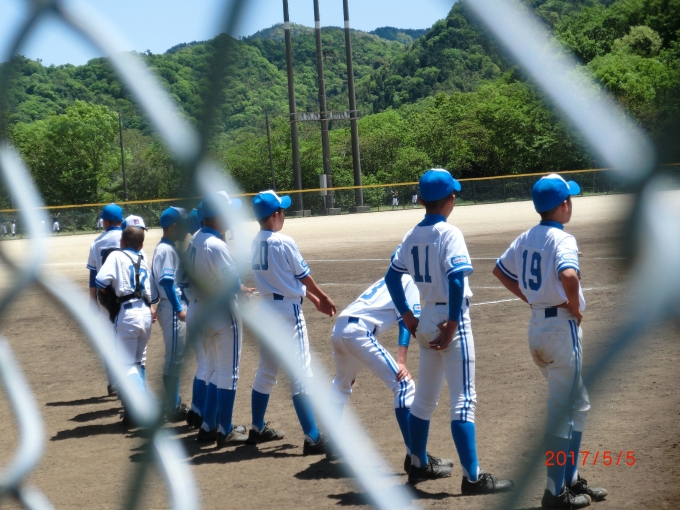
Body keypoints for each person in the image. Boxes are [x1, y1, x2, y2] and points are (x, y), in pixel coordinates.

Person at [385, 168, 514, 492]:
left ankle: (417, 464)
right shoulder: (449, 232)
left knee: (423, 401)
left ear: (421, 200)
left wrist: (408, 316)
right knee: (464, 400)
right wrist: (454, 324)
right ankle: (473, 477)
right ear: (450, 199)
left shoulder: (412, 234)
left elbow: (391, 277)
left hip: (426, 316)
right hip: (450, 319)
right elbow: (456, 280)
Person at [493, 174, 607, 509]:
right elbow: (568, 274)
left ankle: (570, 479)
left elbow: (500, 271)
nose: (571, 203)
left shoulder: (526, 236)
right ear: (563, 205)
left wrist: (529, 298)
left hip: (537, 330)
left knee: (577, 404)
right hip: (561, 331)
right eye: (568, 199)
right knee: (563, 412)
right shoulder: (563, 238)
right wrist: (574, 305)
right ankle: (554, 491)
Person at [326, 266, 453, 472]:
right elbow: (407, 323)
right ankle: (415, 457)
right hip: (358, 332)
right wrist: (401, 361)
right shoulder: (409, 282)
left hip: (340, 329)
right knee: (404, 385)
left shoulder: (390, 279)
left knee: (341, 384)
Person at [247, 190, 336, 455]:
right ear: (275, 215)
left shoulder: (255, 242)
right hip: (287, 313)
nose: (284, 215)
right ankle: (312, 437)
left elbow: (284, 279)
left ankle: (256, 427)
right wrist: (322, 296)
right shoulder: (283, 241)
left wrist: (312, 298)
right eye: (282, 211)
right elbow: (302, 276)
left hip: (266, 310)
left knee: (266, 371)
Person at [186, 192, 251, 447]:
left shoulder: (195, 239)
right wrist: (244, 291)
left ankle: (208, 426)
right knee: (228, 372)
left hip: (198, 310)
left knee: (213, 369)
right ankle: (225, 430)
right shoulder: (216, 245)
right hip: (220, 313)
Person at [95, 216, 152, 426]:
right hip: (146, 312)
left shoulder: (117, 255)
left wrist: (110, 293)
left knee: (126, 366)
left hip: (127, 315)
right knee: (139, 362)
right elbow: (151, 293)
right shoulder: (143, 258)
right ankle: (133, 412)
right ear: (141, 245)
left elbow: (101, 281)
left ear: (121, 241)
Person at [150, 207, 189, 422]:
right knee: (174, 359)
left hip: (170, 306)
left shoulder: (166, 247)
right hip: (172, 308)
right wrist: (178, 308)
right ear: (174, 227)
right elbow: (167, 282)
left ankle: (173, 402)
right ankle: (172, 405)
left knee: (176, 357)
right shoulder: (166, 250)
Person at [86, 204, 124, 396]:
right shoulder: (128, 237)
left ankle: (113, 382)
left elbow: (94, 274)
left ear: (105, 222)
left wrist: (92, 299)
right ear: (121, 221)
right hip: (127, 295)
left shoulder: (97, 242)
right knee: (128, 339)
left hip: (106, 297)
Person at [182, 207, 208, 429]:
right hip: (203, 309)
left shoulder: (189, 247)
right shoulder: (204, 245)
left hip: (192, 307)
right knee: (209, 367)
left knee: (202, 365)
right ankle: (203, 415)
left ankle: (196, 410)